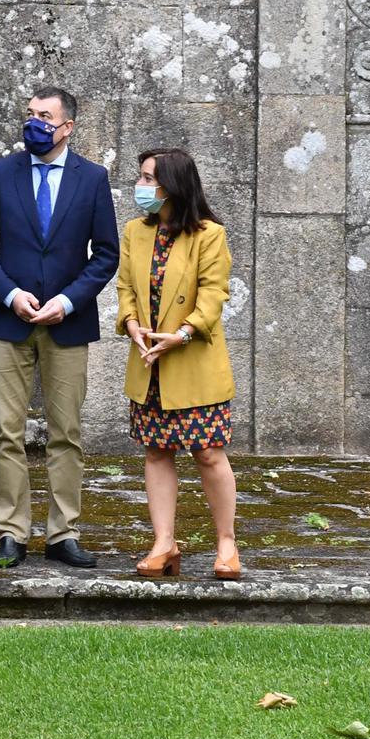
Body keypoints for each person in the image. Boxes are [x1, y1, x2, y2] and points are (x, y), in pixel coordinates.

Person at [0, 86, 120, 569]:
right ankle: (11, 532)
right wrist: (11, 294)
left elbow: (106, 255)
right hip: (8, 323)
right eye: (30, 114)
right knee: (5, 432)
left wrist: (68, 301)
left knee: (65, 432)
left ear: (67, 126)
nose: (34, 122)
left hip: (67, 326)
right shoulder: (3, 173)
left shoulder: (92, 179)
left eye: (44, 116)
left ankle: (62, 533)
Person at [119, 147, 240, 580]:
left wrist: (182, 334)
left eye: (149, 179)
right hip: (150, 361)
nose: (141, 186)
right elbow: (125, 288)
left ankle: (226, 543)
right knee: (157, 451)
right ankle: (164, 543)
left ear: (173, 184)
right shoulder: (135, 231)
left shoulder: (210, 234)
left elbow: (213, 296)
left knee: (208, 452)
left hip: (191, 361)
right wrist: (131, 324)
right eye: (141, 177)